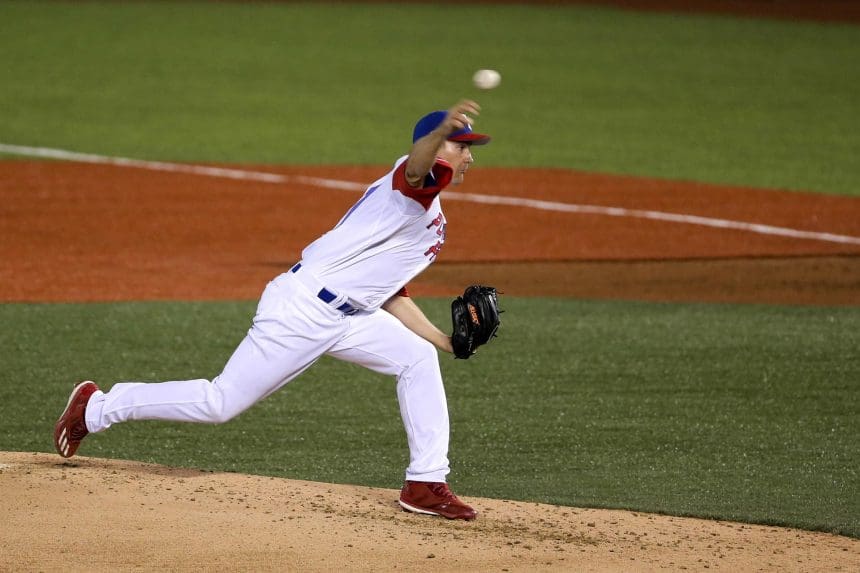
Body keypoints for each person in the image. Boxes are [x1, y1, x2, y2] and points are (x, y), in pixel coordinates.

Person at [54, 99, 492, 521]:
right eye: (461, 146)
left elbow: (391, 292)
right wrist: (440, 131)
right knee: (219, 402)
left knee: (418, 357)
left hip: (351, 316)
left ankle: (425, 482)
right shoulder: (410, 188)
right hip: (302, 311)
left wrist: (445, 341)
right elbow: (417, 167)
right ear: (435, 146)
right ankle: (97, 407)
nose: (469, 156)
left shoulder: (428, 212)